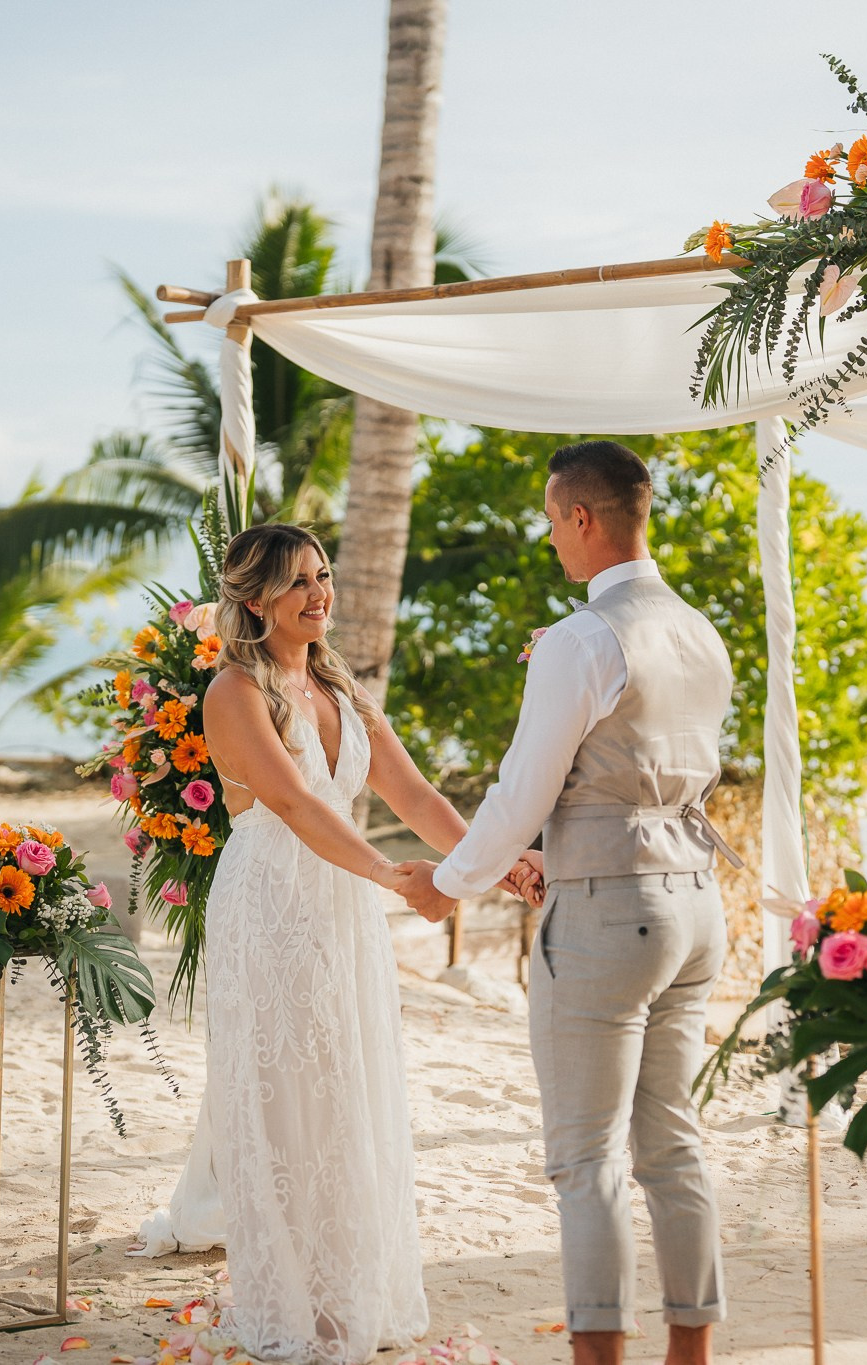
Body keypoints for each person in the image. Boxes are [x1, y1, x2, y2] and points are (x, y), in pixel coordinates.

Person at [392, 440, 741, 1365]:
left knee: (585, 1158)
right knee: (673, 1144)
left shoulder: (580, 640)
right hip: (696, 905)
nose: (551, 540)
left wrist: (448, 882)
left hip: (608, 917)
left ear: (582, 517)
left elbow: (522, 794)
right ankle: (692, 1353)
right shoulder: (699, 631)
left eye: (553, 522)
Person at [200, 522, 537, 1365]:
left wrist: (494, 861)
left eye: (323, 575)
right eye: (298, 581)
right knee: (289, 1098)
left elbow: (415, 795)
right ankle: (292, 1298)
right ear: (255, 600)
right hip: (271, 903)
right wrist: (392, 875)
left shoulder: (342, 691)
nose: (319, 593)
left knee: (348, 1088)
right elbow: (294, 805)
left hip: (342, 907)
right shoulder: (233, 692)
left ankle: (348, 1290)